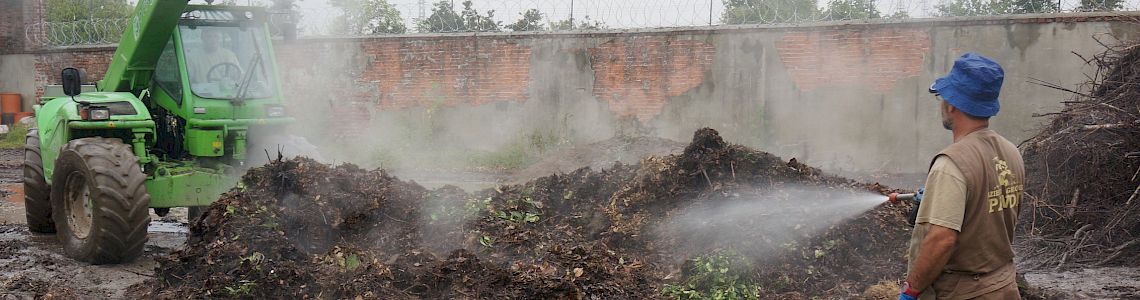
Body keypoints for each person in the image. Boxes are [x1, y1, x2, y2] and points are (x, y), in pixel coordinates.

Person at [900, 53, 1025, 300]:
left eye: (942, 98)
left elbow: (942, 240)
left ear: (951, 104)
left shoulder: (951, 164)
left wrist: (911, 291)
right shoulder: (1011, 152)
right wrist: (941, 200)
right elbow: (988, 211)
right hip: (1003, 287)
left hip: (964, 293)